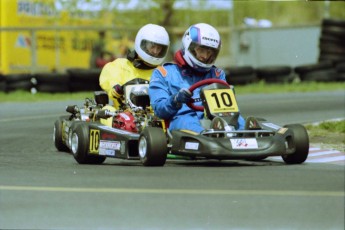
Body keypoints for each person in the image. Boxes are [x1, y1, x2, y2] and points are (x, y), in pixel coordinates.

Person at [149, 23, 245, 133]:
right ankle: (209, 138)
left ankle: (248, 136)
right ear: (189, 46)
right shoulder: (164, 73)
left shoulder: (217, 74)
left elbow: (226, 108)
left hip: (214, 118)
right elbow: (159, 110)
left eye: (209, 52)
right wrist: (175, 100)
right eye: (201, 50)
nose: (205, 56)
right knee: (188, 121)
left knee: (238, 120)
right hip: (182, 119)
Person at [99, 24, 170, 109]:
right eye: (152, 46)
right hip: (124, 116)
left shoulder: (163, 73)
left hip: (155, 117)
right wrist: (116, 88)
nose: (155, 51)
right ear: (141, 43)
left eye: (159, 48)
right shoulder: (120, 65)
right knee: (107, 109)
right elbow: (109, 79)